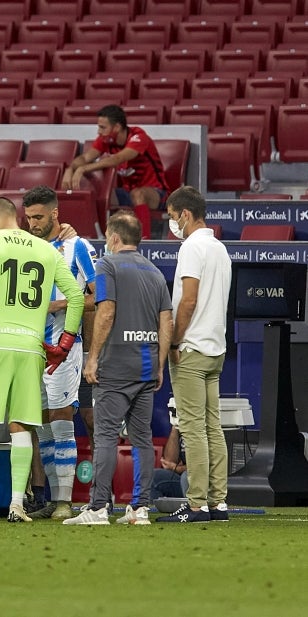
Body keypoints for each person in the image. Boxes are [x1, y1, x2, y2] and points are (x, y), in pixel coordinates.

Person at [0, 196, 85, 523]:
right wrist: (63, 344)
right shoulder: (47, 250)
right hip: (32, 346)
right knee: (21, 424)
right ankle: (17, 504)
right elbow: (77, 296)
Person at [64, 211, 172, 525]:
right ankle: (139, 509)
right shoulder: (153, 271)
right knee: (141, 437)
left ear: (112, 237)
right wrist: (161, 364)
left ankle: (98, 508)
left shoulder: (107, 265)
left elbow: (106, 311)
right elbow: (166, 320)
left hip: (116, 364)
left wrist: (93, 357)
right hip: (147, 364)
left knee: (108, 435)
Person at [22, 186, 98, 521]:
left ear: (55, 213)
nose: (32, 224)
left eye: (38, 217)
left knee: (61, 419)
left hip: (65, 347)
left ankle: (66, 499)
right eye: (28, 218)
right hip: (30, 347)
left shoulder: (77, 246)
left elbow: (99, 297)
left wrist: (61, 303)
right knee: (41, 425)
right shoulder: (25, 248)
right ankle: (54, 498)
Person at [158, 186, 232, 524]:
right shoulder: (220, 248)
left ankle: (197, 504)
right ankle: (218, 504)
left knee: (193, 428)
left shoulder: (192, 247)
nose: (172, 224)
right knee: (212, 428)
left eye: (173, 217)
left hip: (191, 348)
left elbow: (187, 301)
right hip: (215, 347)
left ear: (185, 214)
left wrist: (173, 341)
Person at [61, 104, 168, 239]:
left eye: (103, 127)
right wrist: (70, 169)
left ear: (116, 127)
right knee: (99, 195)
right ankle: (97, 236)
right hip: (126, 192)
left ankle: (144, 241)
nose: (99, 132)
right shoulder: (106, 140)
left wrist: (83, 169)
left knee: (138, 193)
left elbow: (118, 158)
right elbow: (85, 157)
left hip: (158, 194)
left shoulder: (138, 137)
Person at [152, 398, 189, 501]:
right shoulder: (181, 426)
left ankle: (195, 510)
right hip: (182, 480)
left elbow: (203, 465)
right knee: (153, 476)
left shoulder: (203, 425)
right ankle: (152, 513)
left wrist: (178, 469)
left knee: (187, 476)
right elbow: (169, 461)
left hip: (204, 482)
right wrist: (175, 425)